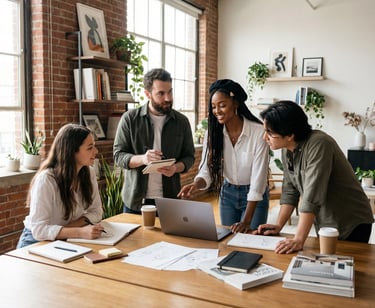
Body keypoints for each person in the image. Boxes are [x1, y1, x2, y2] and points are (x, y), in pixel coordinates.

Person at [257, 100, 374, 254]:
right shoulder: (287, 149)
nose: (265, 137)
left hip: (351, 221)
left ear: (290, 135)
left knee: (347, 271)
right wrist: (278, 226)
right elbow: (290, 190)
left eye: (270, 133)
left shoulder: (319, 144)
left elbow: (312, 194)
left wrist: (299, 239)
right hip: (326, 222)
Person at [178, 79, 269, 233]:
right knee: (228, 241)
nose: (217, 111)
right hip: (228, 195)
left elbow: (258, 181)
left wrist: (246, 222)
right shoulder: (212, 134)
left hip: (255, 197)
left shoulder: (258, 132)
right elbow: (206, 170)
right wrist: (196, 185)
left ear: (235, 104)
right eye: (213, 106)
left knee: (252, 241)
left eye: (222, 105)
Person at [113, 68, 195, 213]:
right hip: (135, 201)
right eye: (161, 93)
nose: (168, 98)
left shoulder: (182, 122)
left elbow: (189, 157)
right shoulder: (129, 119)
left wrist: (176, 168)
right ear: (147, 94)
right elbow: (118, 156)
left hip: (170, 200)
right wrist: (143, 159)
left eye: (170, 91)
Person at [17, 124, 104, 248]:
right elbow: (39, 230)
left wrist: (69, 228)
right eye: (90, 147)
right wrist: (80, 232)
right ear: (72, 151)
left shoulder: (88, 172)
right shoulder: (46, 180)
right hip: (36, 242)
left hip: (64, 238)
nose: (96, 151)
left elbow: (96, 211)